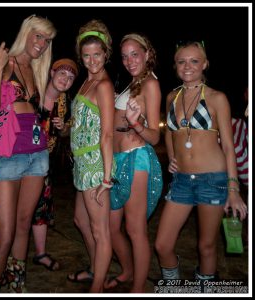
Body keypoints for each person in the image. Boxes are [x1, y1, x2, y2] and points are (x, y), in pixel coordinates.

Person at [154, 41, 248, 281]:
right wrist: (172, 158)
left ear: (205, 64)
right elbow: (169, 132)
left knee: (206, 247)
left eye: (194, 61)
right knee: (162, 245)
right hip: (181, 181)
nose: (188, 66)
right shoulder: (171, 97)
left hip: (213, 180)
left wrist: (234, 189)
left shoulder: (217, 98)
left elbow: (228, 146)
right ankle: (174, 288)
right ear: (175, 65)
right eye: (181, 61)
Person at [0, 15, 56, 293]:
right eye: (38, 36)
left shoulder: (36, 69)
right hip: (9, 154)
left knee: (25, 223)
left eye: (47, 40)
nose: (42, 44)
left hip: (37, 154)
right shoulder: (5, 62)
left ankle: (16, 284)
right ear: (26, 33)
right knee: (5, 232)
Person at [104, 33, 163, 293]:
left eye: (134, 54)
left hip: (136, 158)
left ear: (147, 54)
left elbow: (154, 136)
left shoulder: (150, 84)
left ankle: (138, 289)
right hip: (117, 160)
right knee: (112, 226)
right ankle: (128, 271)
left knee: (135, 229)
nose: (129, 60)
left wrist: (136, 124)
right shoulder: (133, 84)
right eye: (125, 56)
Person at [67, 19, 115, 293]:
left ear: (106, 54)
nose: (92, 60)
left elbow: (107, 134)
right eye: (86, 55)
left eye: (97, 54)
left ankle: (97, 287)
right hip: (81, 163)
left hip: (95, 165)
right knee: (80, 220)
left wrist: (106, 178)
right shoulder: (87, 81)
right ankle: (97, 269)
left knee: (101, 231)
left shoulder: (104, 85)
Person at [31, 58, 78, 271]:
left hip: (45, 162)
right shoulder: (35, 92)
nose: (65, 80)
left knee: (42, 207)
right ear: (51, 72)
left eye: (70, 78)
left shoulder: (65, 101)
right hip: (21, 159)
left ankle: (40, 254)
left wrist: (62, 128)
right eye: (62, 74)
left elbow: (67, 129)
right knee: (17, 210)